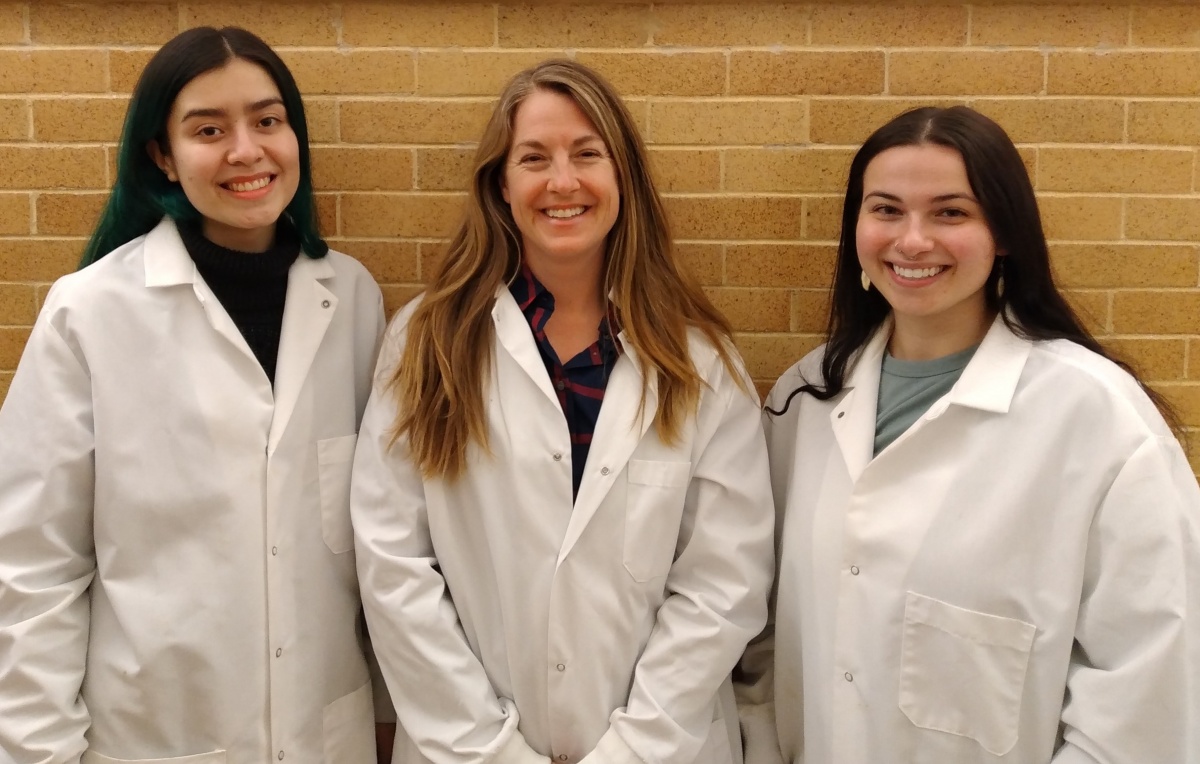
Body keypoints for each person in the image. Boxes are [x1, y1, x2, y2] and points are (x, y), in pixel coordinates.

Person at [737, 105, 1200, 763]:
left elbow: (1148, 690)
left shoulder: (1098, 420)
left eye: (950, 213)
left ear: (1004, 233)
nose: (913, 240)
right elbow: (764, 638)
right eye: (887, 210)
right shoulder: (805, 400)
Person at [351, 59, 774, 764]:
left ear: (623, 179)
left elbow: (722, 583)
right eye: (534, 158)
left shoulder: (701, 361)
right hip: (468, 748)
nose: (563, 182)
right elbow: (394, 566)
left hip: (658, 748)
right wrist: (489, 751)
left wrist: (632, 752)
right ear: (501, 185)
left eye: (586, 154)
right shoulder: (428, 340)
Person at [0, 26, 388, 764]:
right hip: (152, 738)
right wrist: (37, 750)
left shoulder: (355, 301)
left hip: (323, 737)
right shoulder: (90, 313)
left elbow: (384, 541)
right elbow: (30, 567)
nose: (247, 150)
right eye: (209, 129)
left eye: (268, 121)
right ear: (162, 156)